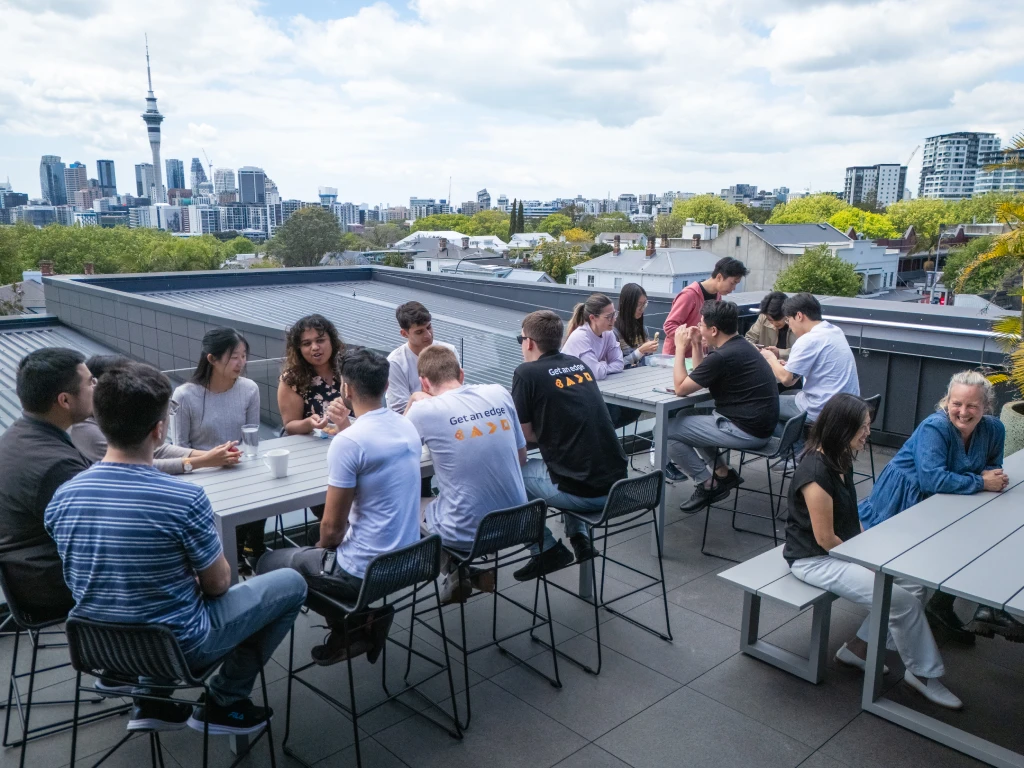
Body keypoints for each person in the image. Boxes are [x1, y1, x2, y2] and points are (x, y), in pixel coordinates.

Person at [45, 361, 307, 734]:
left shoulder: (63, 497)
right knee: (289, 584)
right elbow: (218, 585)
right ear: (158, 429)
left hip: (99, 649)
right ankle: (225, 700)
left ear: (102, 424)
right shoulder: (183, 499)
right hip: (178, 649)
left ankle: (151, 700)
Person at [784, 394, 962, 710]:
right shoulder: (815, 473)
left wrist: (874, 552)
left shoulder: (841, 457)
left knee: (913, 582)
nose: (868, 433)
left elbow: (850, 521)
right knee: (902, 602)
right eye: (863, 427)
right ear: (843, 428)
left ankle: (859, 649)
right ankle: (923, 674)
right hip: (814, 559)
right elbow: (825, 539)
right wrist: (869, 564)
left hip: (842, 550)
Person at [258, 349, 421, 665]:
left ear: (346, 389)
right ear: (387, 386)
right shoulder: (406, 426)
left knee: (267, 563)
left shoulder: (348, 443)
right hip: (411, 560)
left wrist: (318, 553)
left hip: (364, 572)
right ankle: (356, 624)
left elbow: (332, 531)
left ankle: (353, 624)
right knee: (312, 558)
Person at [859, 371, 1012, 643]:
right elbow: (932, 479)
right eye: (956, 403)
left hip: (947, 499)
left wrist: (991, 478)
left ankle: (970, 606)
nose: (963, 412)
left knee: (989, 535)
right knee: (961, 545)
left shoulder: (994, 429)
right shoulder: (936, 427)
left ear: (986, 407)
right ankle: (968, 607)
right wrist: (980, 481)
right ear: (947, 401)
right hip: (904, 503)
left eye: (972, 406)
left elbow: (993, 466)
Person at [405, 345, 528, 602]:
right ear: (461, 374)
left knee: (408, 507)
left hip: (468, 533)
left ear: (423, 383)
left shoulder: (422, 410)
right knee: (451, 501)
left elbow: (394, 455)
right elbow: (521, 458)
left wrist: (412, 401)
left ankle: (455, 569)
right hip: (520, 522)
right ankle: (463, 571)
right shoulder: (499, 392)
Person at [511, 310, 628, 581]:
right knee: (569, 464)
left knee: (512, 475)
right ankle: (579, 538)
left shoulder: (526, 373)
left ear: (528, 342)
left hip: (586, 494)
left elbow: (525, 435)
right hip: (618, 484)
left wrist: (555, 431)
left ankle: (545, 548)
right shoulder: (578, 365)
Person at [0, 348, 93, 621]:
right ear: (64, 400)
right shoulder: (55, 466)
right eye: (90, 382)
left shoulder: (16, 437)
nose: (95, 387)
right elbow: (99, 536)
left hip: (22, 575)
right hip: (49, 584)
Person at [668, 300, 780, 511]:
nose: (698, 327)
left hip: (747, 431)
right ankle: (722, 473)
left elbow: (681, 388)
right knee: (684, 413)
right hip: (760, 426)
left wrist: (680, 349)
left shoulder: (723, 356)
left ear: (713, 330)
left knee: (664, 431)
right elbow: (702, 377)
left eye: (701, 324)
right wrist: (694, 345)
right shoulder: (741, 346)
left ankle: (708, 484)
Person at [172, 327, 264, 570]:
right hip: (203, 476)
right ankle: (229, 562)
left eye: (244, 356)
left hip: (240, 470)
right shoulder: (184, 396)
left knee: (266, 493)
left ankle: (252, 551)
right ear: (211, 358)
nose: (241, 362)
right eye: (234, 356)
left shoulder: (249, 389)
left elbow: (251, 438)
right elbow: (178, 449)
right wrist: (212, 459)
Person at [70, 355, 241, 473]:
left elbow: (155, 448)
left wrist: (211, 455)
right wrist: (203, 461)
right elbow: (133, 465)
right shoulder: (84, 428)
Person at [761, 292, 860, 425]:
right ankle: (800, 441)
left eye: (788, 320)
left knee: (764, 404)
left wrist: (771, 358)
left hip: (822, 410)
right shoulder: (834, 330)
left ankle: (794, 445)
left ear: (799, 316)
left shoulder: (809, 340)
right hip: (848, 406)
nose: (789, 325)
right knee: (785, 398)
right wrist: (788, 365)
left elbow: (786, 379)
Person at [562, 292, 638, 428]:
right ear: (593, 318)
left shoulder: (608, 334)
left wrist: (601, 366)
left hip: (592, 389)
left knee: (632, 410)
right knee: (611, 412)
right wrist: (603, 366)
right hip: (571, 394)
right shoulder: (581, 337)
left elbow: (619, 364)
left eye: (614, 314)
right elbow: (595, 372)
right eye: (608, 317)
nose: (614, 320)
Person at [663, 257, 748, 357]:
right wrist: (694, 338)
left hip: (698, 355)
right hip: (676, 356)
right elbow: (669, 326)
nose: (733, 288)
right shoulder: (689, 295)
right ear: (719, 277)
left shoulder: (717, 296)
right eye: (732, 283)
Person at [385, 301, 459, 415]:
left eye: (429, 327)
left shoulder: (449, 351)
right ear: (404, 333)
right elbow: (401, 411)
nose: (428, 335)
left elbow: (458, 394)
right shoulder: (395, 363)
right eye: (419, 332)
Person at [278, 314, 346, 435]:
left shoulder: (348, 369)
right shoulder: (291, 379)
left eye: (320, 340)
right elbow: (289, 426)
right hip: (310, 445)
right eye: (306, 343)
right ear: (299, 349)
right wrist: (309, 423)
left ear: (332, 341)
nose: (315, 347)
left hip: (348, 440)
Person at [614, 283, 659, 368]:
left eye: (644, 304)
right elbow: (616, 365)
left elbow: (645, 362)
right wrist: (641, 351)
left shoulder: (643, 329)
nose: (642, 309)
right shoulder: (613, 332)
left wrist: (649, 350)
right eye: (638, 304)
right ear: (627, 304)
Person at [744, 291, 792, 360]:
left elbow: (803, 351)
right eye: (770, 320)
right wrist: (755, 348)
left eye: (777, 319)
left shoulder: (797, 323)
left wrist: (780, 353)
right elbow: (749, 338)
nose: (774, 324)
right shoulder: (763, 317)